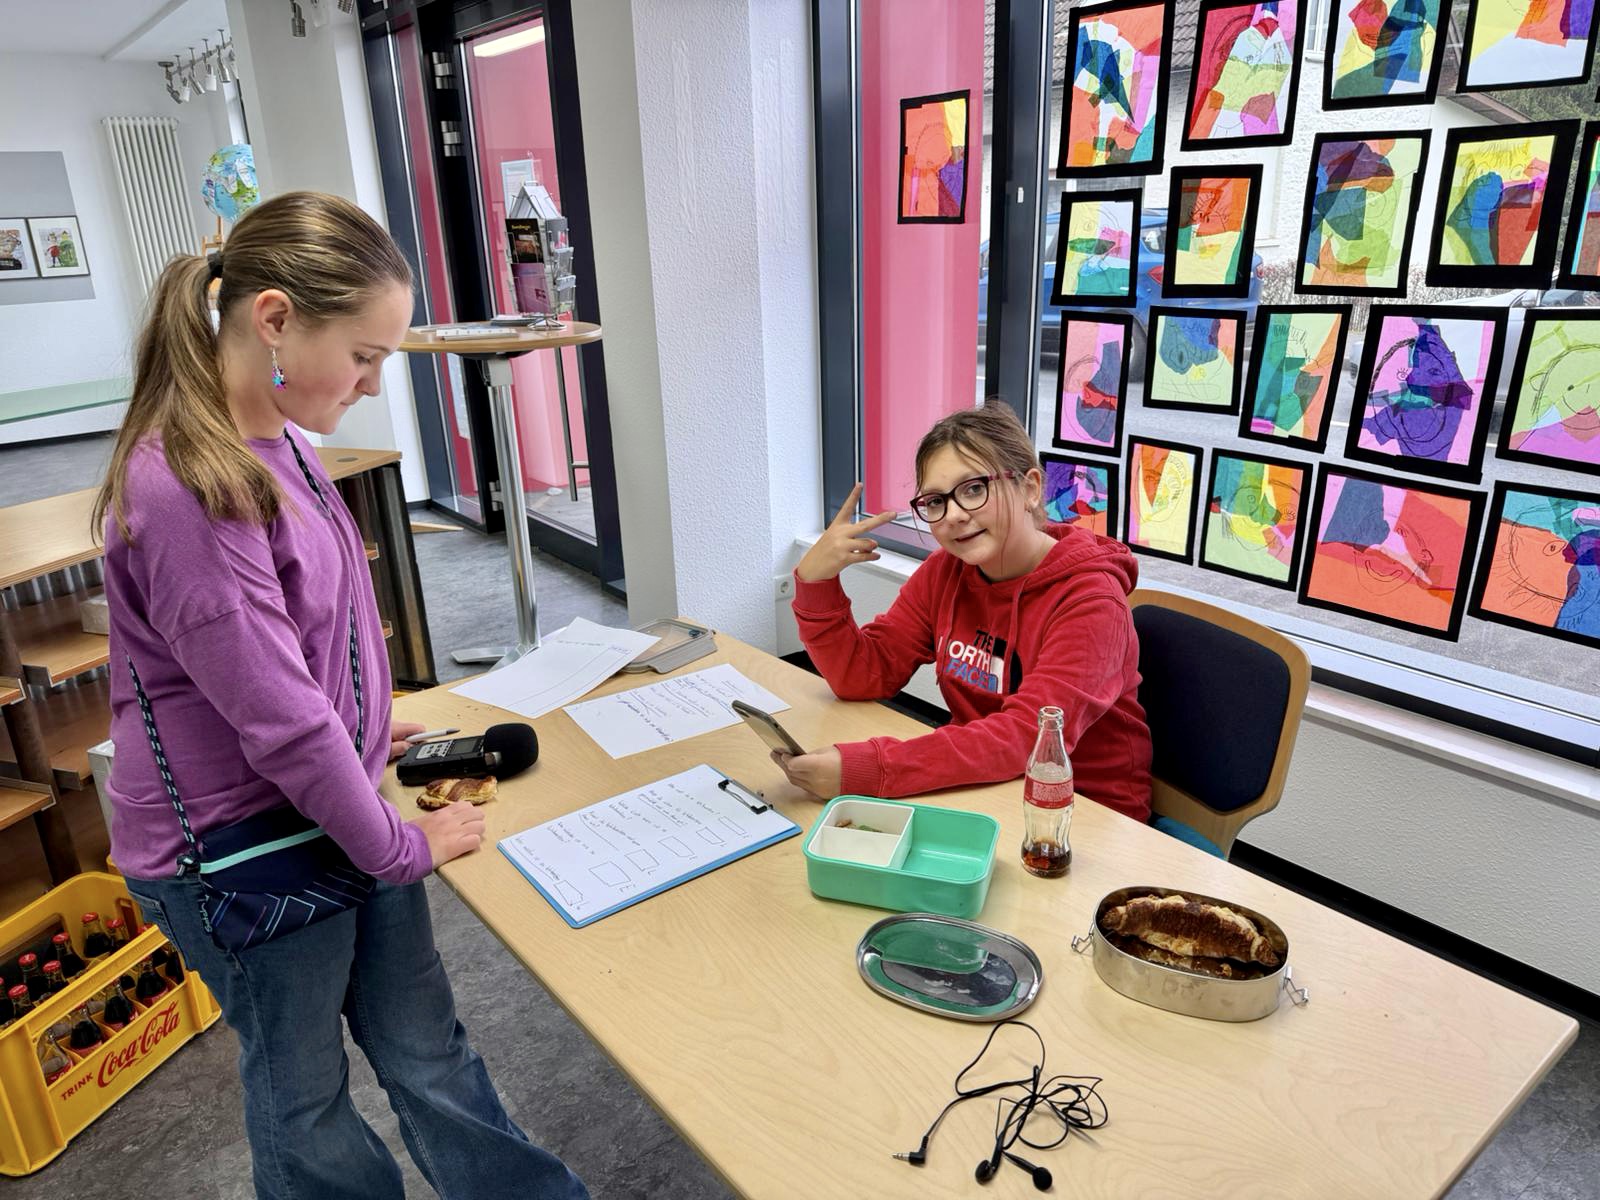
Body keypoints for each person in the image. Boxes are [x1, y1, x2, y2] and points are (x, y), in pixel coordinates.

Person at [94, 191, 589, 1200]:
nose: (371, 383)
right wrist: (398, 848)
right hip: (240, 850)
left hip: (333, 804)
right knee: (305, 1097)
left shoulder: (282, 439)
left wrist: (366, 722)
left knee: (427, 1049)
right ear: (275, 319)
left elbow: (303, 647)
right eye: (363, 356)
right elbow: (280, 723)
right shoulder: (186, 488)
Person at [775, 403, 1152, 821]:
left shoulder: (1092, 599)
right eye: (936, 501)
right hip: (984, 784)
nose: (953, 515)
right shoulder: (946, 571)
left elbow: (1027, 737)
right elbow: (863, 675)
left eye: (973, 489)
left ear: (1030, 489)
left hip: (1084, 811)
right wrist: (817, 582)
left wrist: (870, 769)